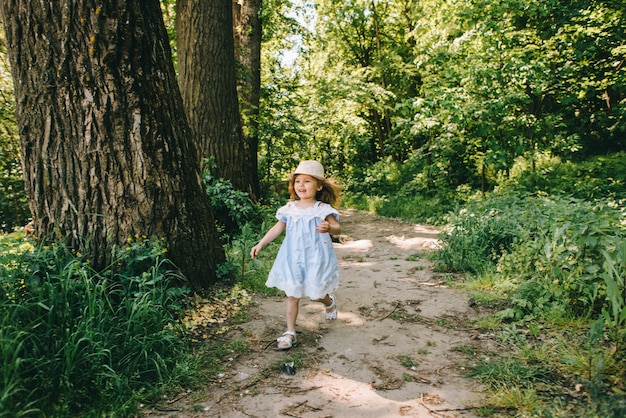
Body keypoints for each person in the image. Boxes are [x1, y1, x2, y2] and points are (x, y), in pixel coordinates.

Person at [250, 160, 342, 350]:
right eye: (297, 181)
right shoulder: (289, 209)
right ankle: (289, 332)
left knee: (316, 294)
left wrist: (329, 227)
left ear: (318, 186)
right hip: (292, 257)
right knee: (293, 294)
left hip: (316, 257)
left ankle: (329, 302)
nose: (301, 185)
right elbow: (277, 228)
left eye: (307, 181)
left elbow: (337, 229)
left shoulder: (322, 209)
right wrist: (261, 244)